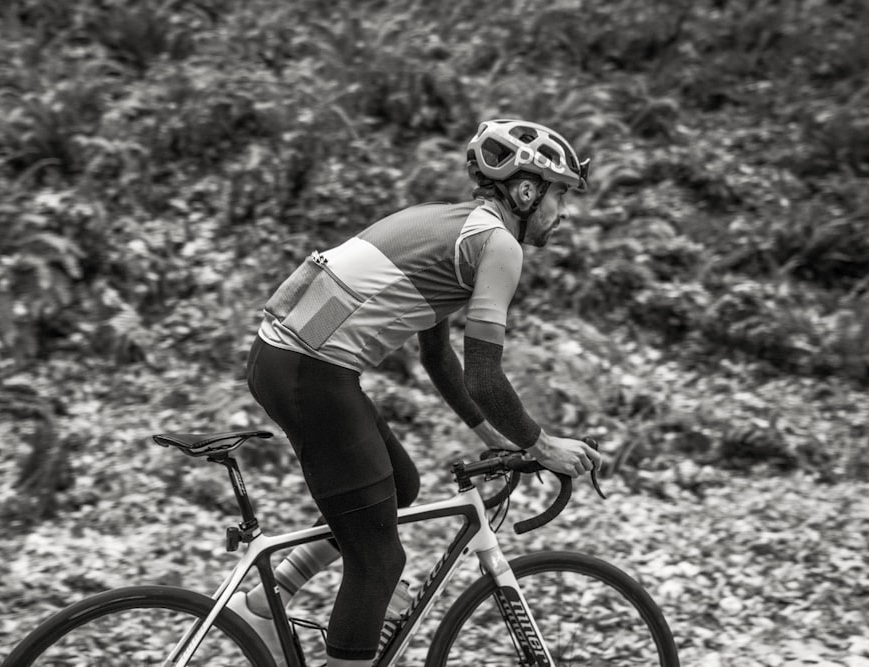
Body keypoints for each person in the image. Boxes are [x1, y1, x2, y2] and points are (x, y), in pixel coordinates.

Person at [230, 119, 603, 666]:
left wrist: (492, 435)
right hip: (313, 371)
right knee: (378, 561)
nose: (564, 211)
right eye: (561, 194)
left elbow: (438, 358)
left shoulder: (445, 227)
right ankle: (271, 614)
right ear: (527, 191)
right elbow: (485, 375)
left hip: (282, 359)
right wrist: (543, 446)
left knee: (399, 486)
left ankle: (266, 599)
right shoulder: (498, 247)